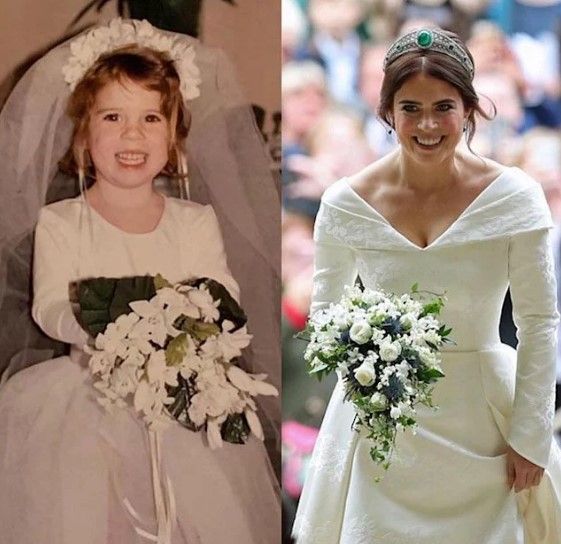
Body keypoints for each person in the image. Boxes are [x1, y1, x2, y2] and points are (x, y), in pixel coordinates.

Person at [0, 19, 280, 544]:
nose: (133, 134)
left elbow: (221, 295)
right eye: (113, 116)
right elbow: (49, 306)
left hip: (180, 399)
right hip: (84, 399)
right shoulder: (62, 221)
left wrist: (187, 323)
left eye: (151, 117)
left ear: (174, 137)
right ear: (83, 135)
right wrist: (107, 325)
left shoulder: (193, 221)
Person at [292, 27, 561, 543]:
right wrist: (368, 361)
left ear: (469, 109)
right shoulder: (346, 204)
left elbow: (539, 321)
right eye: (410, 108)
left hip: (486, 427)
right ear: (387, 112)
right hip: (380, 429)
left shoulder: (516, 197)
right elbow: (324, 320)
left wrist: (530, 434)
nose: (428, 124)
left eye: (444, 106)